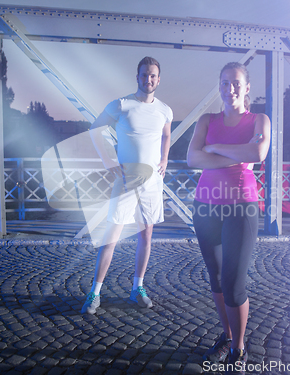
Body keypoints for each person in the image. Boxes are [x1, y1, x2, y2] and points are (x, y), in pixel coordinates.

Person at [187, 62, 271, 372]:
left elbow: (258, 154)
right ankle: (227, 335)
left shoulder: (259, 119)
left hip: (241, 207)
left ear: (247, 87)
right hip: (205, 207)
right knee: (217, 278)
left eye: (236, 83)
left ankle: (239, 346)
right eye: (224, 82)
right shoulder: (206, 120)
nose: (230, 87)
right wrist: (237, 151)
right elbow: (192, 158)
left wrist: (215, 148)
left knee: (235, 283)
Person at [81, 56, 173, 315]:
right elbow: (94, 129)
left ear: (158, 78)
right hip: (125, 180)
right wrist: (108, 160)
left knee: (146, 235)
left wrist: (165, 158)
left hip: (152, 182)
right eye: (144, 75)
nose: (149, 79)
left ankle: (138, 288)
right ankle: (95, 293)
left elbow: (166, 135)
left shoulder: (165, 110)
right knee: (111, 236)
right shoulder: (121, 105)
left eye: (153, 75)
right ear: (137, 77)